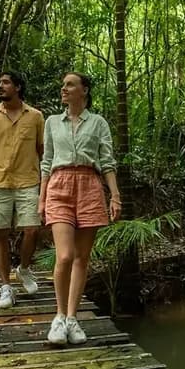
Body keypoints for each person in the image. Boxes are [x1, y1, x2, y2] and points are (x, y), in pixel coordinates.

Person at [39, 72, 121, 345]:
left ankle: (73, 319)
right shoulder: (52, 122)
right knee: (64, 256)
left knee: (81, 258)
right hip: (59, 186)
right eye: (62, 85)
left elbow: (107, 162)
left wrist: (115, 196)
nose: (64, 89)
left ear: (84, 90)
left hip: (89, 186)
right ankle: (59, 317)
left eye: (70, 85)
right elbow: (46, 161)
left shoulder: (98, 123)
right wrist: (41, 198)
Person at [0, 71, 44, 309]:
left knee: (32, 229)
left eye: (6, 83)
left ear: (18, 87)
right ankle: (5, 287)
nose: (0, 86)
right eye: (0, 83)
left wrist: (47, 184)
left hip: (28, 180)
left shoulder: (35, 116)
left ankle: (23, 269)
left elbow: (43, 151)